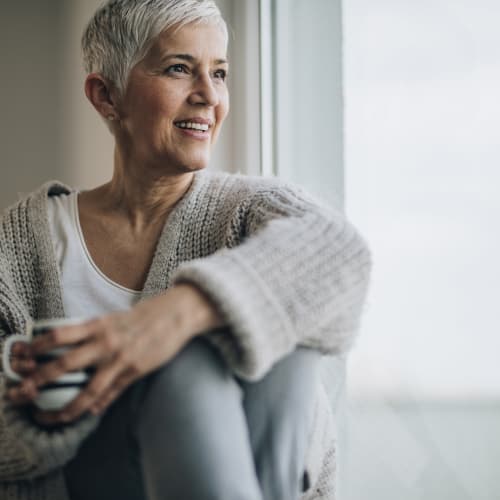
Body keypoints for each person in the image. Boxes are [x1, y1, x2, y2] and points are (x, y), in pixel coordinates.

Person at [0, 1, 371, 499]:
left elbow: (338, 250)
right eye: (179, 68)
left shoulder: (249, 209)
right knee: (188, 366)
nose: (208, 96)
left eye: (219, 74)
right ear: (106, 95)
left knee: (280, 335)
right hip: (85, 479)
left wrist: (167, 322)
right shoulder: (22, 242)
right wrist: (79, 395)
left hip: (255, 479)